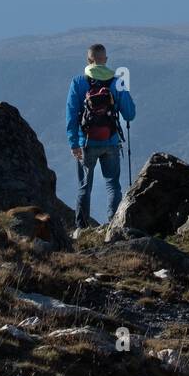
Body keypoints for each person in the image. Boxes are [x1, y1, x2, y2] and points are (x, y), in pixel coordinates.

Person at [66, 42, 135, 233]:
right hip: (111, 141)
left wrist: (73, 143)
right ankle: (114, 225)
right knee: (113, 184)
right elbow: (130, 114)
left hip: (86, 142)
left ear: (88, 60)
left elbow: (71, 115)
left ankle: (81, 228)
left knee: (84, 187)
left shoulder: (78, 82)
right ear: (105, 60)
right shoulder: (116, 81)